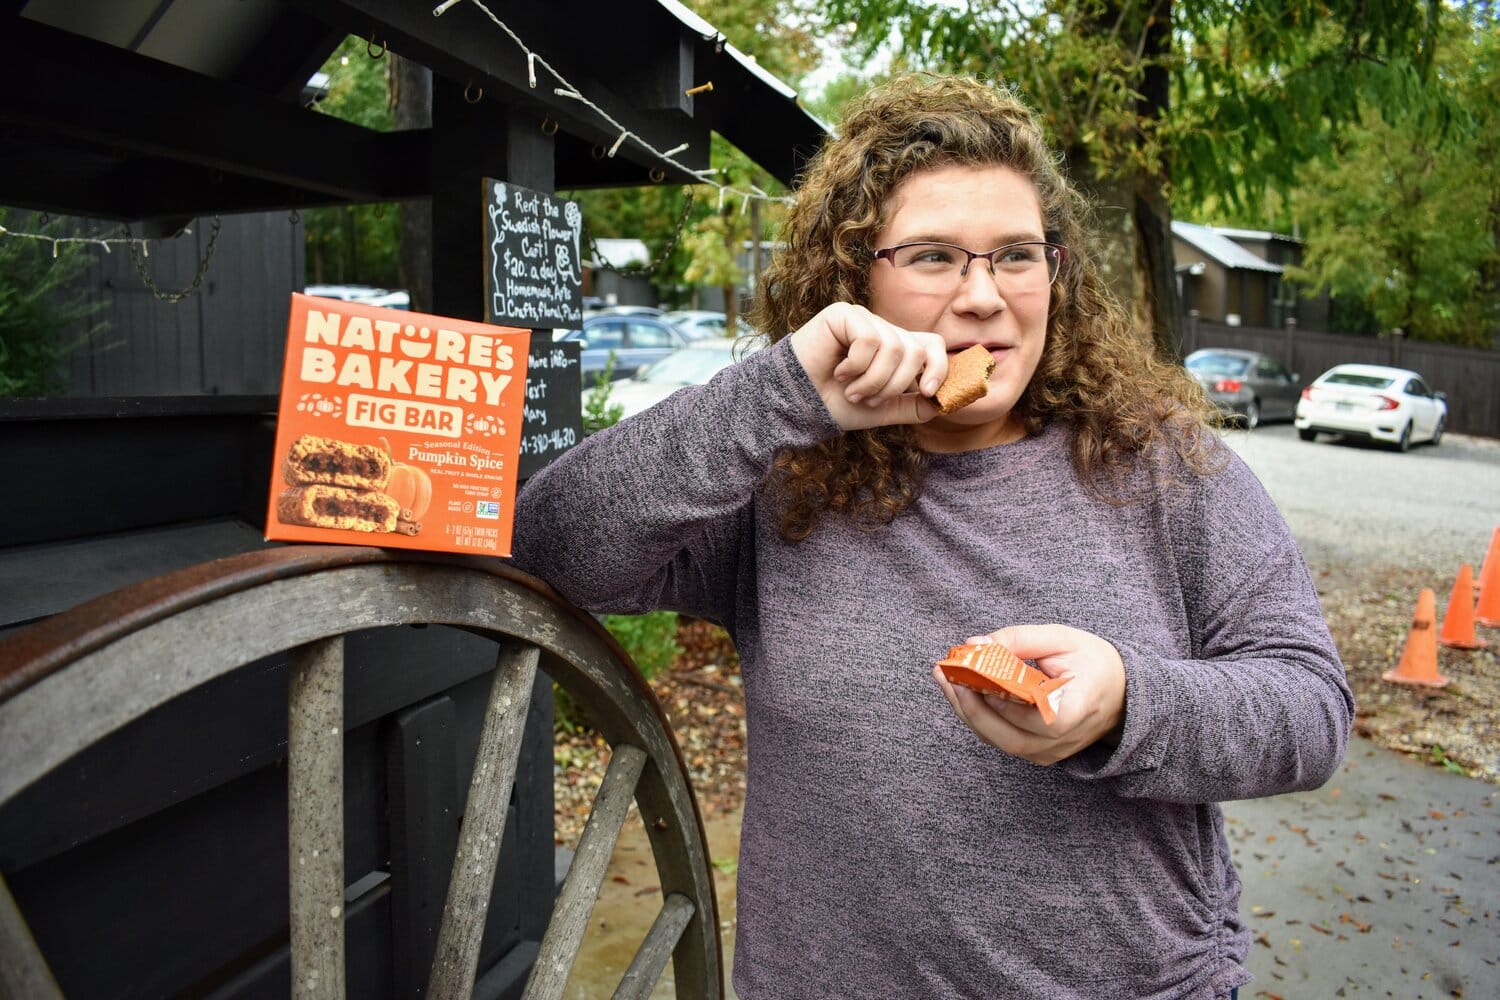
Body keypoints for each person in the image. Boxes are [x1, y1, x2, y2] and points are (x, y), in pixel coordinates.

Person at [509, 73, 1351, 1000]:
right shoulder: (784, 479)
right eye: (934, 256)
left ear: (1056, 275)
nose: (984, 297)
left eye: (1017, 255)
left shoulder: (1162, 468)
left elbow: (1310, 712)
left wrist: (1128, 702)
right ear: (852, 274)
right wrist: (785, 392)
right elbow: (555, 543)